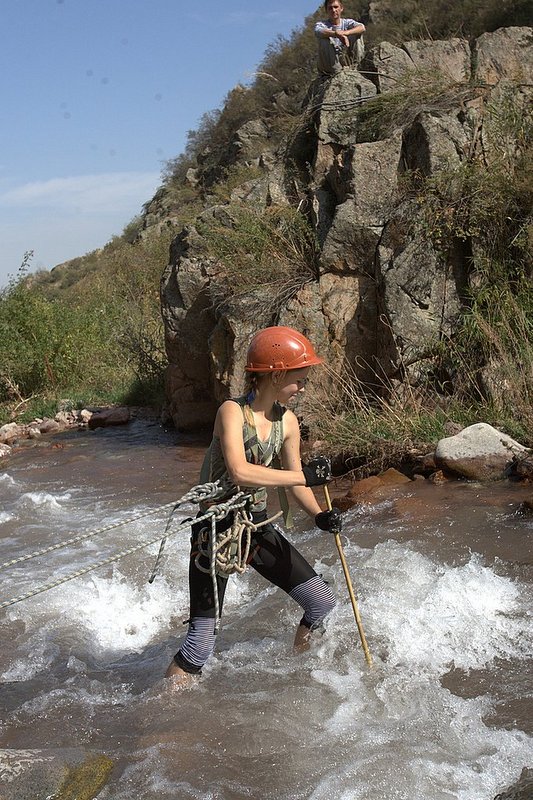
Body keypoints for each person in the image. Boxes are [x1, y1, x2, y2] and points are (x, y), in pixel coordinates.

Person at [165, 326, 343, 686]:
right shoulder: (231, 412)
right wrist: (304, 477)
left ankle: (301, 675)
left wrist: (320, 515)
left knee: (322, 603)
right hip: (214, 532)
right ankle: (162, 710)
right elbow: (240, 471)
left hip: (257, 528)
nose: (303, 387)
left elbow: (296, 481)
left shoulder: (288, 422)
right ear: (276, 374)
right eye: (299, 379)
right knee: (201, 644)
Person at [314, 0, 366, 76]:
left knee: (357, 34)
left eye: (336, 7)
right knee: (323, 39)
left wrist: (345, 33)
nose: (333, 10)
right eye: (330, 8)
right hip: (329, 64)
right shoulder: (322, 24)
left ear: (341, 8)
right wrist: (336, 34)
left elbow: (362, 27)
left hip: (345, 59)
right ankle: (334, 71)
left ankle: (357, 65)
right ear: (326, 10)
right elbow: (318, 31)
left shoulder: (347, 22)